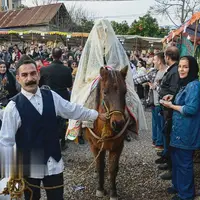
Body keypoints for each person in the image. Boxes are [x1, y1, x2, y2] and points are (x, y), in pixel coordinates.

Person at [0, 55, 107, 200]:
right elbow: (6, 142)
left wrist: (96, 115)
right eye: (24, 75)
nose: (29, 78)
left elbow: (72, 109)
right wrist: (11, 176)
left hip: (53, 161)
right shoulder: (13, 107)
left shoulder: (51, 96)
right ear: (18, 78)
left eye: (32, 73)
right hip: (29, 165)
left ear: (38, 75)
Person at [160, 56, 200, 200]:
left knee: (184, 163)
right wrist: (173, 97)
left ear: (192, 68)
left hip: (187, 131)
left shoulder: (194, 85)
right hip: (178, 130)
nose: (181, 69)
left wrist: (172, 106)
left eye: (185, 67)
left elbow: (191, 109)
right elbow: (184, 100)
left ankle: (186, 195)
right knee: (176, 160)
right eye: (180, 66)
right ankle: (178, 186)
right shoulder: (186, 84)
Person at [39, 48, 73, 150]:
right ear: (61, 55)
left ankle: (50, 141)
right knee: (62, 119)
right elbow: (69, 84)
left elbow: (40, 84)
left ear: (52, 56)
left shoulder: (44, 69)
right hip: (63, 96)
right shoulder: (67, 69)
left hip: (49, 96)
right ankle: (62, 142)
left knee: (50, 119)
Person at [157, 46, 180, 180]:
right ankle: (168, 163)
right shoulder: (172, 70)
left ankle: (172, 169)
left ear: (167, 57)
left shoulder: (174, 71)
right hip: (167, 109)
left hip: (170, 110)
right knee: (166, 136)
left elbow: (173, 91)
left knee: (169, 138)